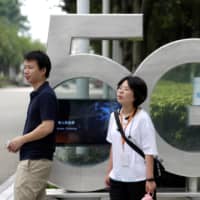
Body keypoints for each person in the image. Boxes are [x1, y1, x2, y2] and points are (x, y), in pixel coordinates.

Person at [7, 50, 58, 200]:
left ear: (43, 70)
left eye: (30, 67)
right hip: (36, 159)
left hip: (35, 161)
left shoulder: (46, 95)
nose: (26, 71)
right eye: (25, 67)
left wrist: (20, 140)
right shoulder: (39, 94)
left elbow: (47, 126)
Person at [105, 76, 158, 200]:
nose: (120, 91)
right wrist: (109, 172)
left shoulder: (143, 118)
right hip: (117, 179)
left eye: (126, 89)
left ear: (136, 95)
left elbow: (149, 151)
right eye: (119, 88)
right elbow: (114, 146)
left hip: (138, 179)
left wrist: (149, 179)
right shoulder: (114, 116)